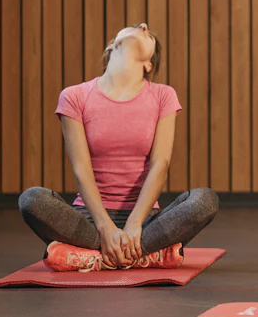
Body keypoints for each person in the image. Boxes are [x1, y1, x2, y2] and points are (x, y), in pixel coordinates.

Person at [18, 23, 219, 272]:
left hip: (145, 222)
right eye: (137, 28)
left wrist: (134, 224)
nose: (143, 25)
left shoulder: (163, 96)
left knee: (204, 200)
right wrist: (105, 227)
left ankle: (96, 256)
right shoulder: (74, 96)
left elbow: (161, 164)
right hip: (89, 219)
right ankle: (142, 254)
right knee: (31, 199)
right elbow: (81, 169)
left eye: (148, 33)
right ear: (112, 46)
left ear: (149, 65)